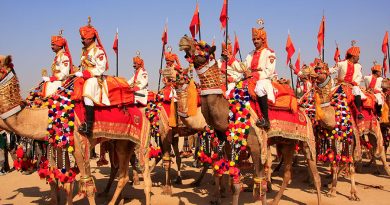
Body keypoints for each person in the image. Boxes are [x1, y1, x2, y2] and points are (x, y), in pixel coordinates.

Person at [74, 18, 109, 136]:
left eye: (84, 39)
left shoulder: (98, 51)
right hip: (85, 76)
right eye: (81, 38)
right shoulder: (84, 51)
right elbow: (83, 67)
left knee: (87, 91)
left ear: (90, 38)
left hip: (96, 78)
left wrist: (86, 74)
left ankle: (89, 126)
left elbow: (101, 68)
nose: (82, 41)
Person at [245, 20, 276, 129]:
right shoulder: (250, 54)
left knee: (259, 89)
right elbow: (245, 67)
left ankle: (265, 119)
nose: (255, 41)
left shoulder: (269, 52)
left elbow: (269, 71)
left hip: (264, 79)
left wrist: (256, 75)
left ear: (263, 40)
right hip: (250, 78)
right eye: (254, 39)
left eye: (258, 39)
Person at [329, 42, 365, 119]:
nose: (358, 58)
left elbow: (359, 76)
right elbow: (333, 70)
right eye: (357, 56)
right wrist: (324, 70)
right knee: (330, 95)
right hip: (341, 85)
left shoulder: (358, 66)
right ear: (353, 56)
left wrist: (355, 82)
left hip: (352, 86)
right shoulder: (341, 63)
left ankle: (359, 112)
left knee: (357, 91)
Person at [41, 31, 73, 97]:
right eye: (51, 45)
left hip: (62, 81)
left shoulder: (64, 56)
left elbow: (65, 73)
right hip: (56, 80)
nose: (51, 47)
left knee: (49, 85)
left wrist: (52, 78)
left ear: (59, 46)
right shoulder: (57, 57)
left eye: (53, 45)